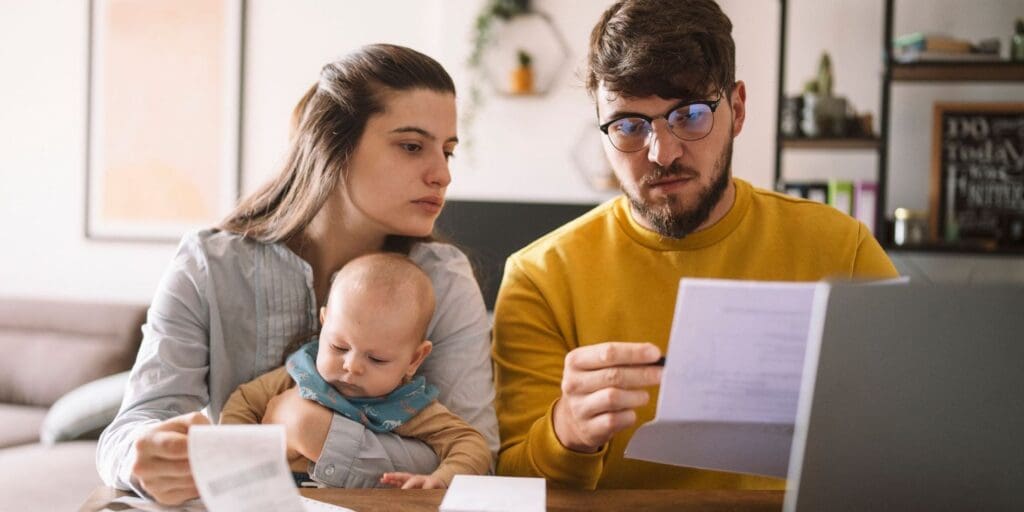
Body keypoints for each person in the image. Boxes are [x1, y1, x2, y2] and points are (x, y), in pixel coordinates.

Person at [491, 0, 898, 490]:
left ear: (738, 109)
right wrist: (567, 433)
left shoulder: (840, 249)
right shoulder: (540, 277)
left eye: (689, 115)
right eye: (628, 126)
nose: (662, 153)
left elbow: (912, 433)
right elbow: (507, 485)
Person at [97, 44, 498, 505]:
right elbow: (128, 431)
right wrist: (141, 457)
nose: (442, 174)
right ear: (332, 146)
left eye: (447, 151)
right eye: (412, 146)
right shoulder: (208, 265)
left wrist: (312, 430)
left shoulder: (443, 280)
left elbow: (477, 456)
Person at [220, 253, 490, 490]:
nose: (352, 366)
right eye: (339, 347)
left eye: (376, 359)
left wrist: (442, 478)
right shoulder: (300, 374)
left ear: (414, 359)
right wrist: (234, 460)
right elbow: (242, 402)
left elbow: (471, 444)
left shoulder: (408, 406)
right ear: (324, 324)